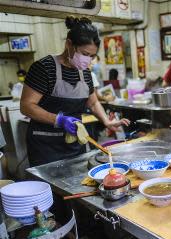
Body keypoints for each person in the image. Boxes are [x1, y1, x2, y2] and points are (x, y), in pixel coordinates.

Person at [21, 16, 130, 167]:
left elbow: (93, 103)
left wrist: (107, 121)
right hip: (46, 145)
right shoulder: (44, 68)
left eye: (92, 56)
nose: (88, 60)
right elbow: (26, 106)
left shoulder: (85, 72)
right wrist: (59, 120)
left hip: (74, 143)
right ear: (69, 44)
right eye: (85, 54)